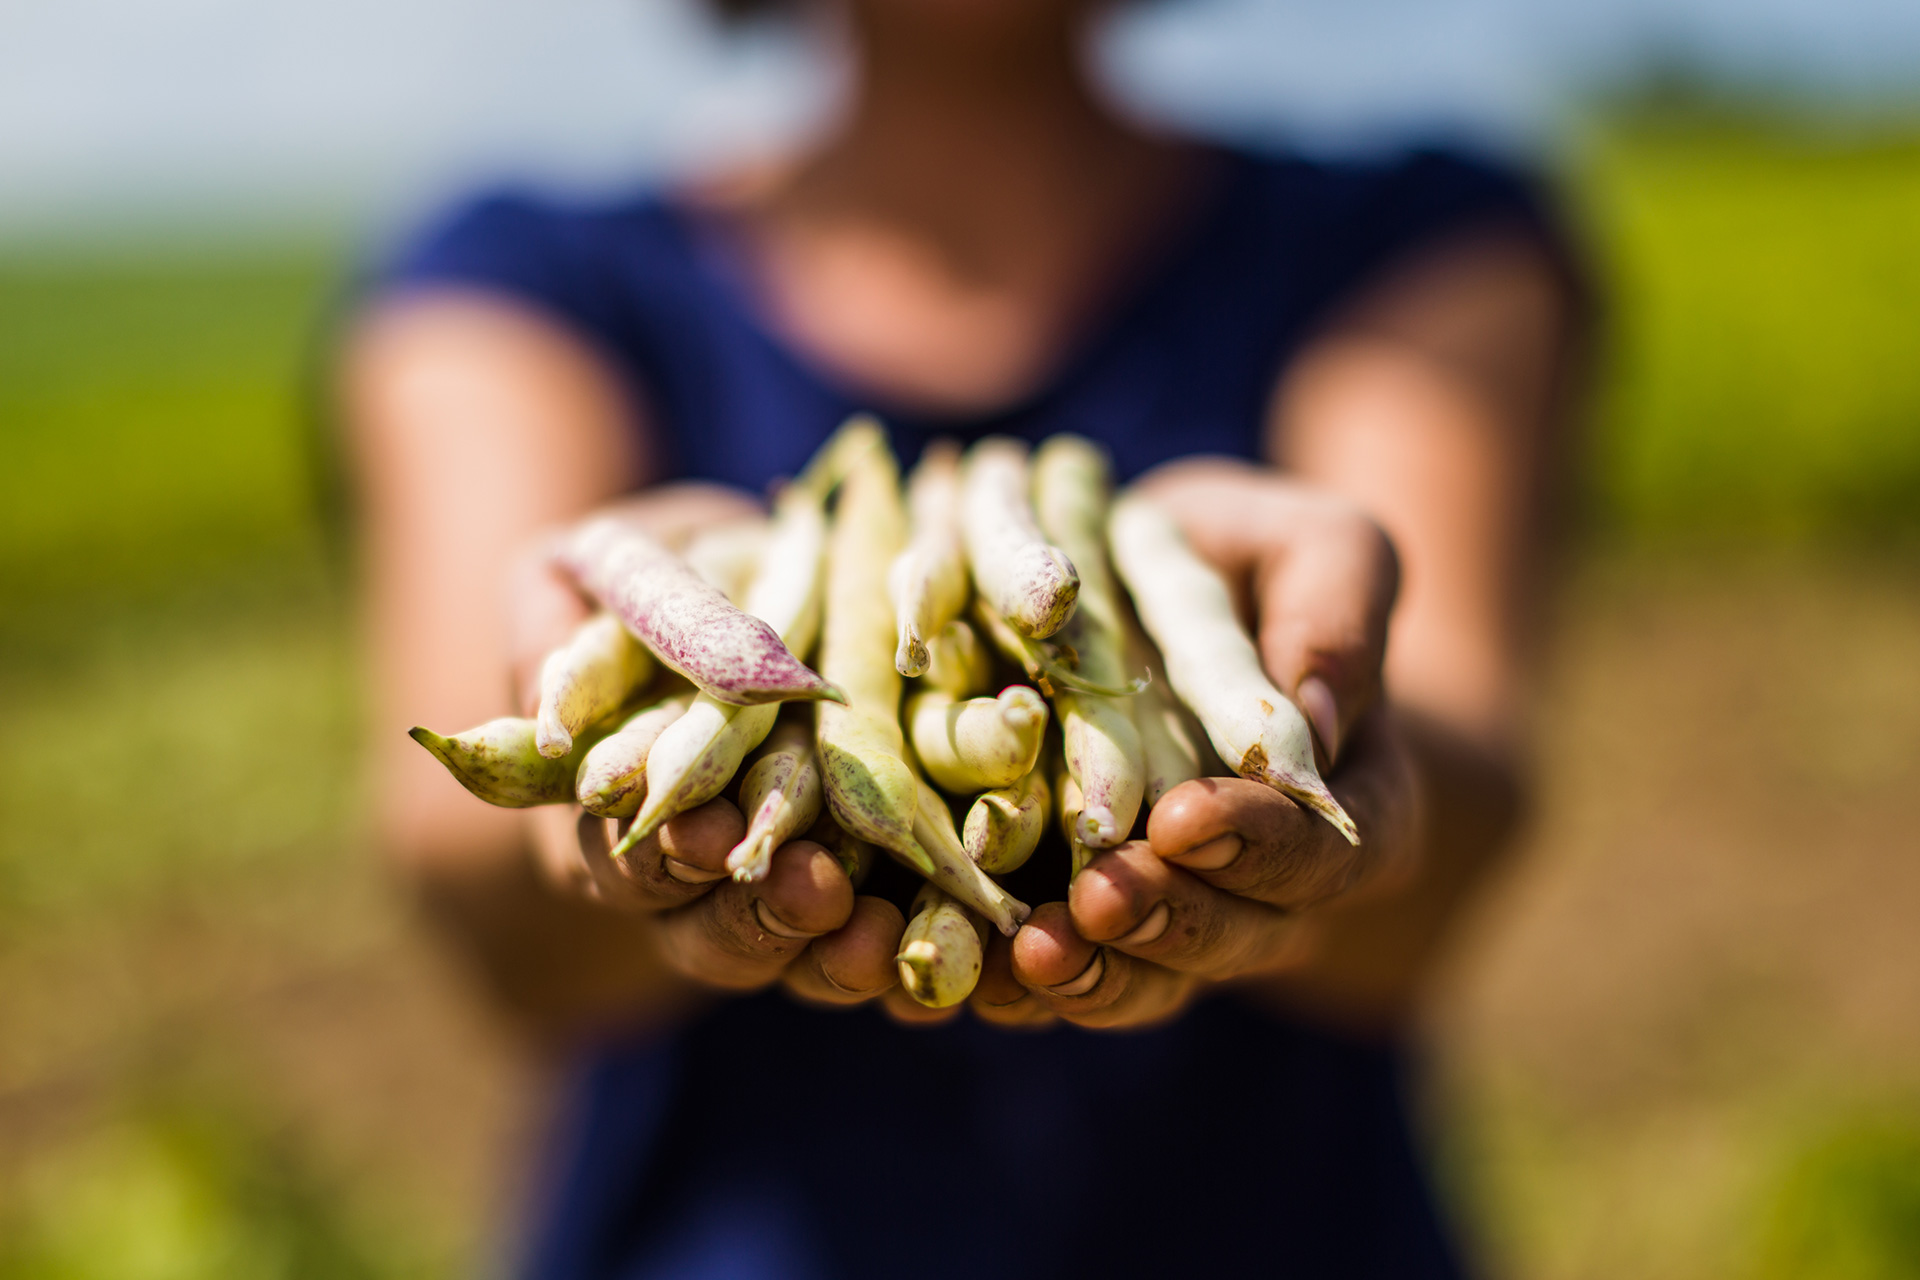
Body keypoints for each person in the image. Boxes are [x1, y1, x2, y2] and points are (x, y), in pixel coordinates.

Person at [343, 0, 1582, 1274]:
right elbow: (493, 917)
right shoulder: (524, 273)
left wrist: (1344, 757)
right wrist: (600, 786)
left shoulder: (1413, 238)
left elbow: (1454, 809)